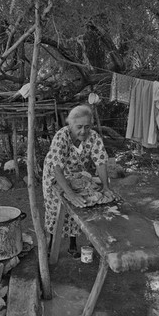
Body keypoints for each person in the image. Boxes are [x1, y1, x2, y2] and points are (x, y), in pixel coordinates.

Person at [42, 104, 116, 258]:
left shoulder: (93, 137)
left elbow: (100, 162)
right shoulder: (61, 137)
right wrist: (69, 193)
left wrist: (106, 187)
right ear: (70, 124)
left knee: (78, 209)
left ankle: (72, 244)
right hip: (54, 176)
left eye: (87, 126)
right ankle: (51, 244)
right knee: (55, 210)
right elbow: (57, 169)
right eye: (79, 127)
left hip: (76, 176)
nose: (83, 131)